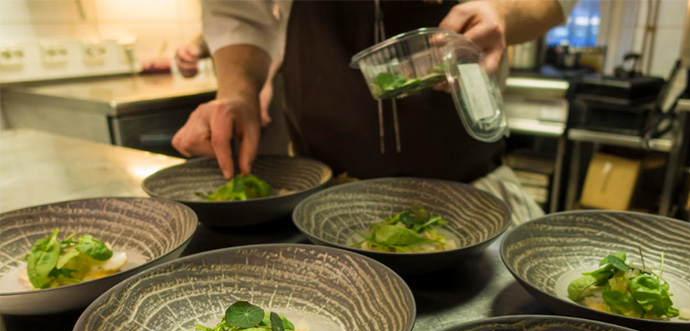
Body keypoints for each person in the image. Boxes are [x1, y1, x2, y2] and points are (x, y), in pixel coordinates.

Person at [172, 0, 576, 224]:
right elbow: (240, 12)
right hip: (328, 201)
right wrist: (238, 92)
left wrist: (503, 12)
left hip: (473, 197)